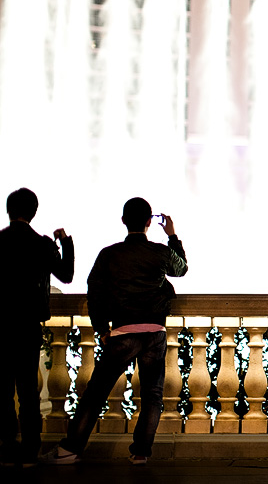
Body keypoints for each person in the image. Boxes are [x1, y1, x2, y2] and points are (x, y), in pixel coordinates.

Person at [42, 197, 187, 466]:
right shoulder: (159, 253)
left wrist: (101, 329)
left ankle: (70, 449)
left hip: (123, 331)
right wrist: (172, 235)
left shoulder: (109, 254)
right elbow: (181, 269)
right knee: (152, 396)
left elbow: (94, 293)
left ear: (123, 221)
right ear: (148, 222)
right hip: (154, 331)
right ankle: (141, 453)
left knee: (96, 393)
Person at [0, 188, 74, 468]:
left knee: (3, 388)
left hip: (1, 324)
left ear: (9, 211)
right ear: (33, 212)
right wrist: (65, 243)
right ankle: (31, 448)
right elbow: (65, 275)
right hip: (28, 325)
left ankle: (7, 445)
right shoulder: (41, 244)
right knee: (29, 389)